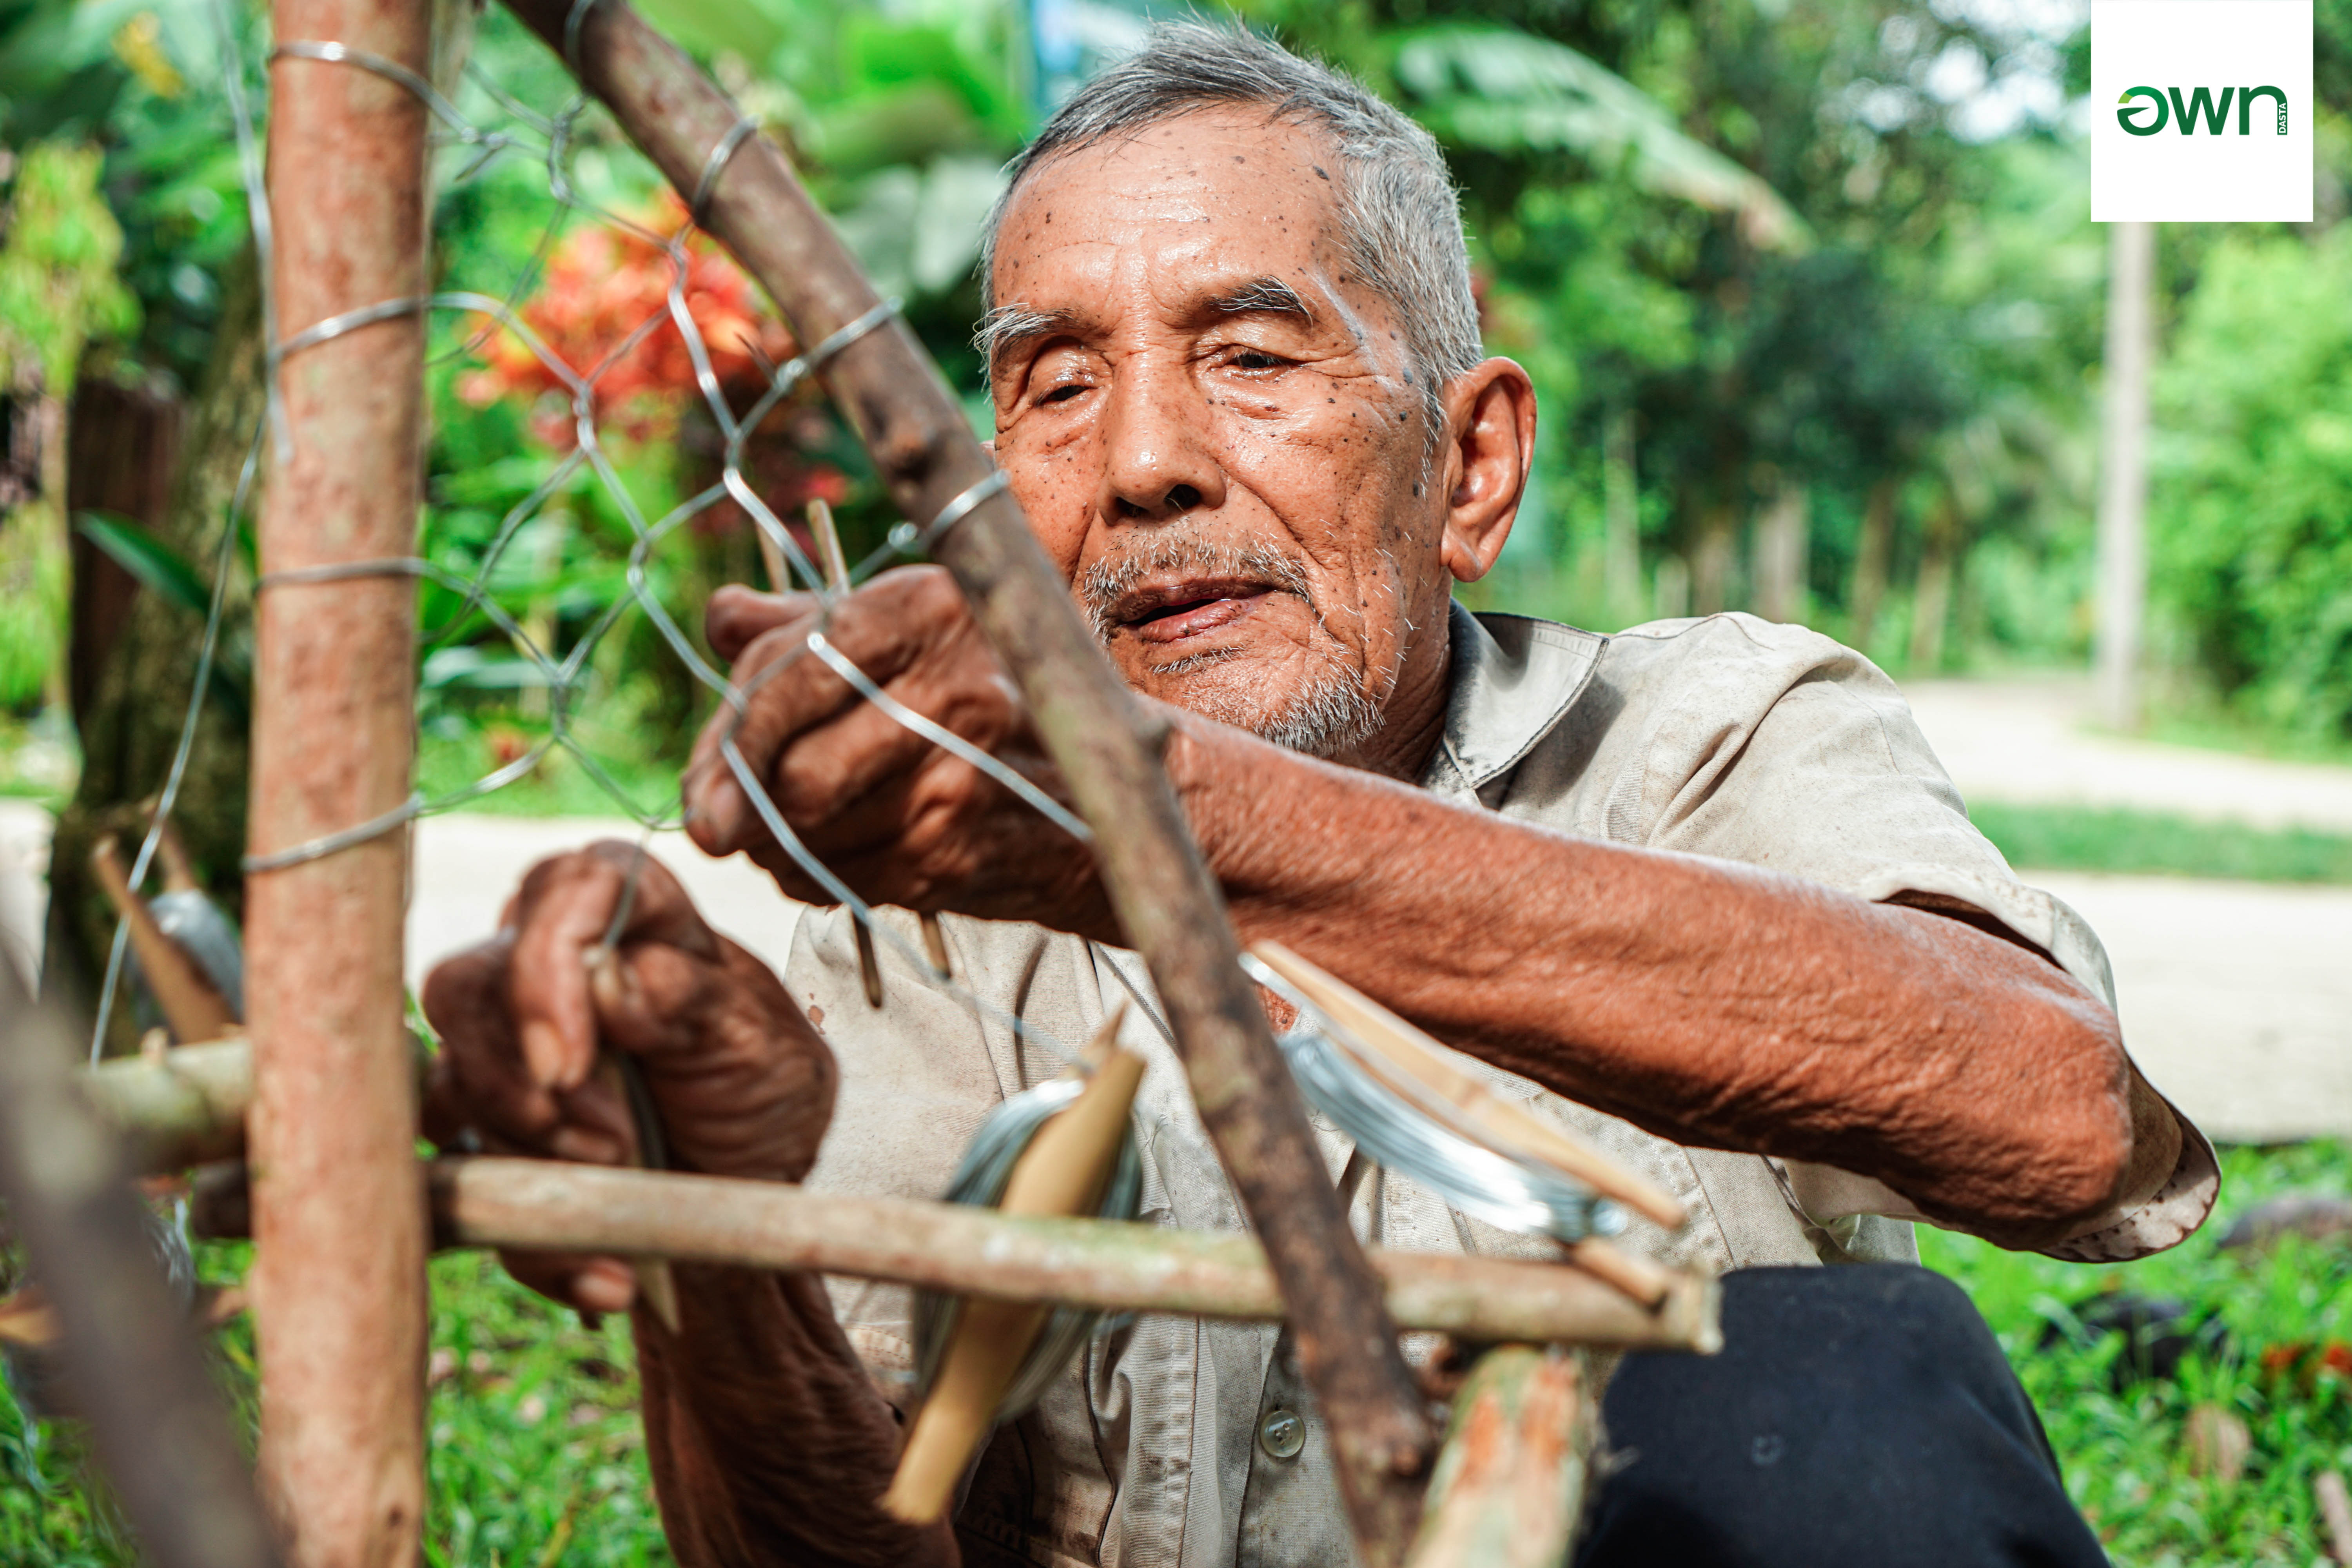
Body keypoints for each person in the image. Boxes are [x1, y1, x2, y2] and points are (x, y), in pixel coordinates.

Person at [422, 24, 2216, 1567]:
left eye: (1251, 357)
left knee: (1847, 1372)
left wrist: (1164, 825)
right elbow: (861, 1547)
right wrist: (725, 1253)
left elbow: (2059, 1120)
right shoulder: (894, 919)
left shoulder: (1708, 729)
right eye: (1057, 385)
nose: (1140, 467)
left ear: (1473, 461)